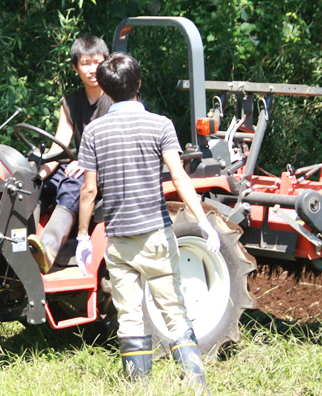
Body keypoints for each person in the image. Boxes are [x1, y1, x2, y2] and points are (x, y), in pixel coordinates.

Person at [75, 52, 219, 393]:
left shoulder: (94, 130)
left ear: (107, 91)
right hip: (156, 235)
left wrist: (82, 236)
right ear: (139, 83)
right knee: (174, 310)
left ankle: (138, 388)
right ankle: (195, 386)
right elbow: (180, 177)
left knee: (130, 318)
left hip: (119, 240)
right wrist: (203, 222)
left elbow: (89, 190)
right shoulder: (160, 124)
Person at [28, 35, 113, 274]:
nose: (92, 69)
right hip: (77, 165)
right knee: (33, 183)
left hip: (106, 170)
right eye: (85, 63)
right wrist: (37, 175)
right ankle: (21, 242)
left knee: (72, 183)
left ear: (106, 63)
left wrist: (87, 163)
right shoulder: (70, 102)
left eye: (97, 62)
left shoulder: (116, 97)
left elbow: (117, 144)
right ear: (75, 67)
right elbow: (59, 148)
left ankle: (48, 249)